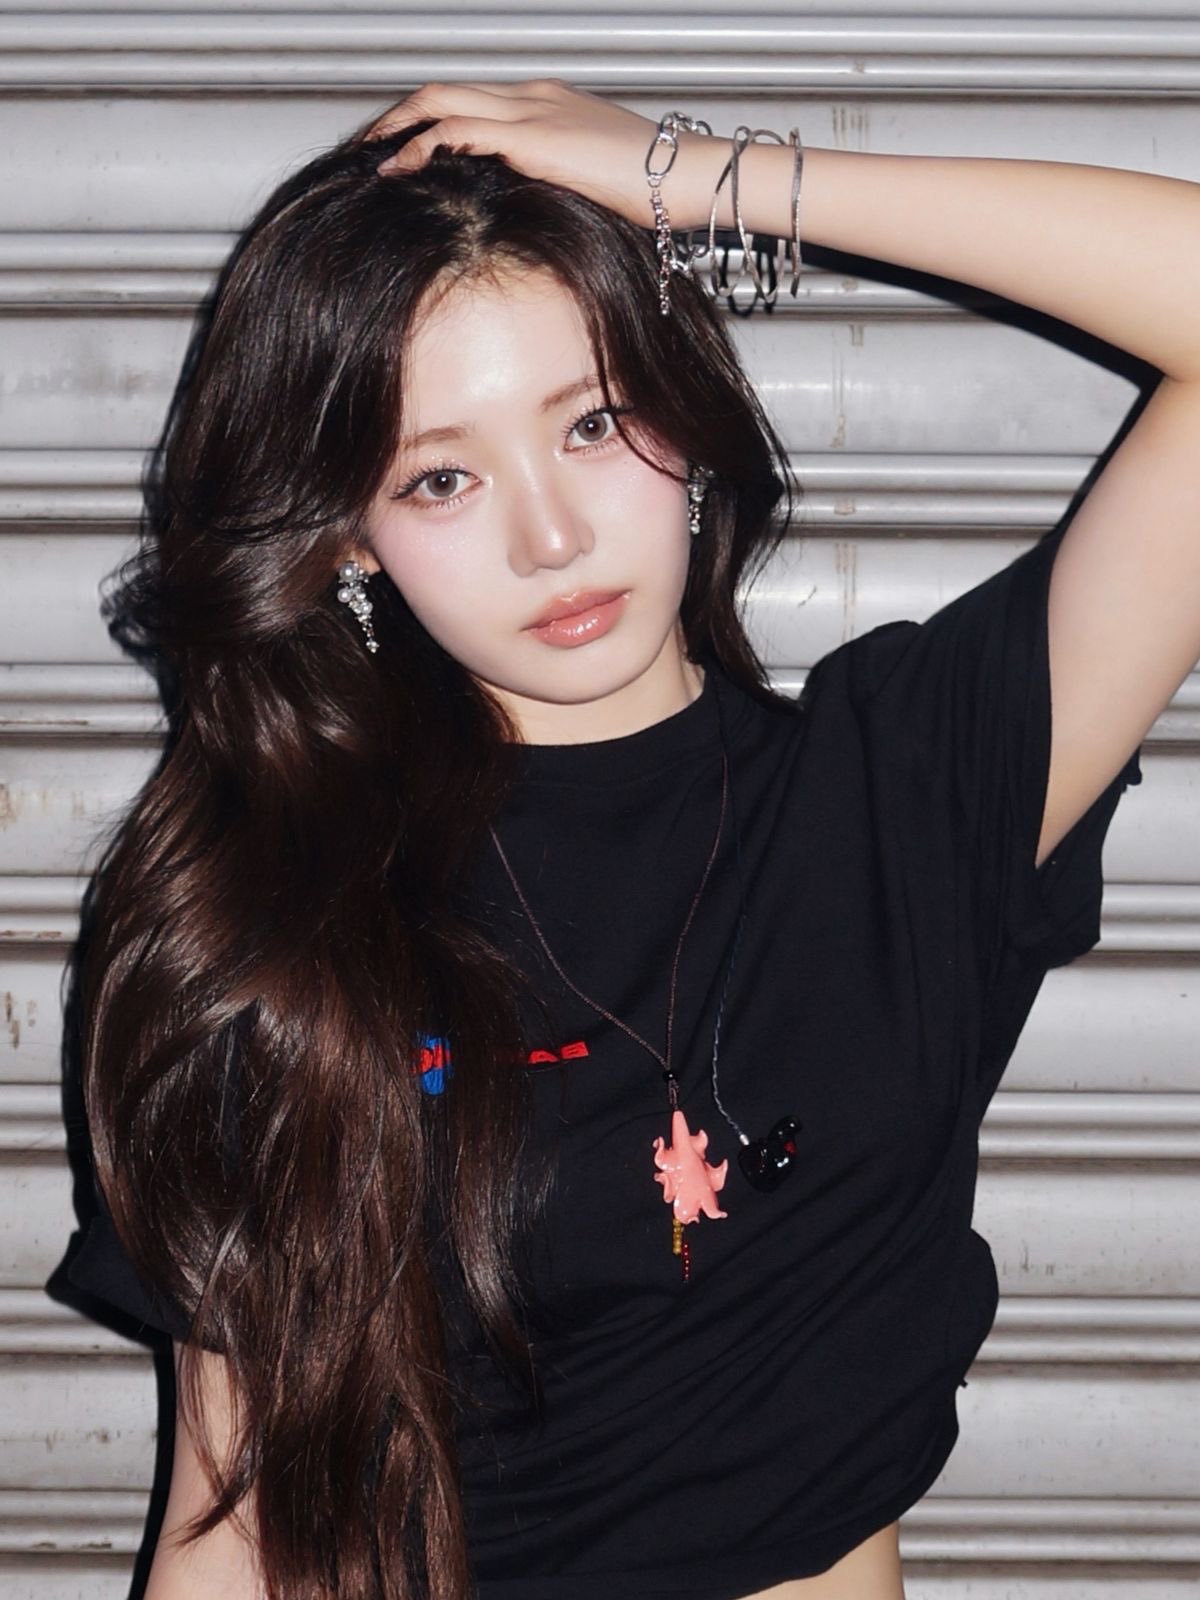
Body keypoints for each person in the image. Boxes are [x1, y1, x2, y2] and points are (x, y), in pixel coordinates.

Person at [58, 76, 1199, 1600]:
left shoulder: (903, 793)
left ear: (683, 411)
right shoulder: (274, 913)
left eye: (593, 422)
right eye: (442, 477)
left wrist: (700, 176)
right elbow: (233, 1520)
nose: (551, 537)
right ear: (347, 540)